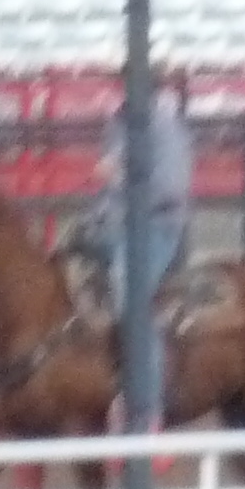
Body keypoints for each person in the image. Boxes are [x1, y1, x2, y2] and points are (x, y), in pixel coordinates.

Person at [88, 80, 197, 323]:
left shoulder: (165, 128)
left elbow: (170, 188)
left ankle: (146, 360)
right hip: (113, 225)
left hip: (156, 226)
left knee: (128, 287)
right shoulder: (119, 122)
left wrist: (118, 178)